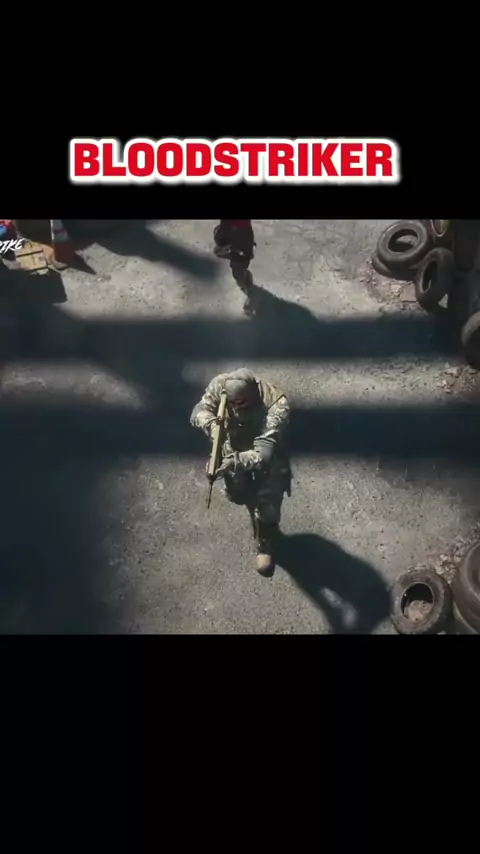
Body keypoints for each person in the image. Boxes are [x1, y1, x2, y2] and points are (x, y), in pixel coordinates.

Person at [190, 368, 292, 576]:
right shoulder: (220, 385)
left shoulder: (276, 404)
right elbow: (198, 411)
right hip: (233, 447)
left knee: (268, 506)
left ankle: (264, 541)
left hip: (265, 457)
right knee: (238, 494)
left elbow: (264, 454)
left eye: (242, 403)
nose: (236, 408)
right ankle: (250, 504)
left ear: (253, 394)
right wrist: (212, 425)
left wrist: (233, 462)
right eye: (232, 403)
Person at [213, 220, 258, 316]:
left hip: (242, 235)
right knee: (222, 252)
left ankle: (249, 289)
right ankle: (243, 273)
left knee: (238, 273)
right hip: (228, 232)